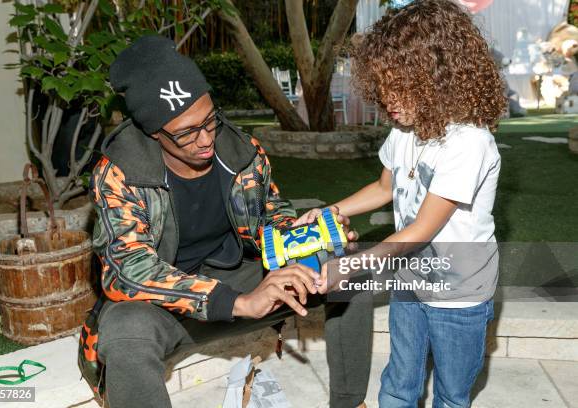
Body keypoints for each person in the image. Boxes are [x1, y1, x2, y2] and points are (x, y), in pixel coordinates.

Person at [77, 35, 372, 408]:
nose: (205, 140)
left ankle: (350, 403)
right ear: (153, 132)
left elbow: (271, 213)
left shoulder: (241, 153)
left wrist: (303, 238)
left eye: (209, 120)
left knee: (352, 268)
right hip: (166, 303)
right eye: (186, 132)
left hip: (236, 274)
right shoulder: (120, 174)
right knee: (124, 332)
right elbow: (128, 271)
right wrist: (235, 302)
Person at [297, 1, 507, 407]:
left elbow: (423, 228)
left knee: (452, 392)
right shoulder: (404, 131)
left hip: (459, 293)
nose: (387, 100)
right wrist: (332, 211)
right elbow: (384, 187)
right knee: (398, 381)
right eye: (382, 86)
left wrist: (352, 264)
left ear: (439, 79)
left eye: (400, 86)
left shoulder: (468, 142)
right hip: (412, 280)